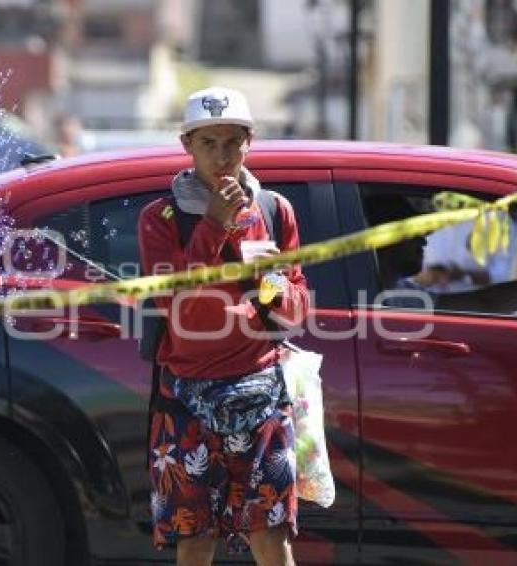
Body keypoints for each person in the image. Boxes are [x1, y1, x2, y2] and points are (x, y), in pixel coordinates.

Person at [137, 87, 309, 566]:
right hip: (185, 401)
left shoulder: (275, 212)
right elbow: (176, 305)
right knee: (194, 541)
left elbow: (295, 314)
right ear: (187, 145)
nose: (221, 156)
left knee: (271, 540)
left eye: (232, 142)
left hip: (261, 399)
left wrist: (268, 283)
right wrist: (214, 226)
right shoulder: (161, 218)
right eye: (208, 143)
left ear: (249, 143)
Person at [363, 193, 517, 314]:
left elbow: (485, 300)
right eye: (413, 235)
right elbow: (485, 303)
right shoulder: (388, 298)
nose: (423, 241)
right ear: (386, 240)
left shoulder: (395, 292)